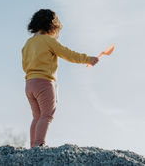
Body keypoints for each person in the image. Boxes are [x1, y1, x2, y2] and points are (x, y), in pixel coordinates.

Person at [21, 9, 99, 148]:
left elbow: (25, 64)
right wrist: (88, 59)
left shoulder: (28, 44)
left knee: (37, 117)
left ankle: (33, 146)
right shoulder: (48, 41)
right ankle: (39, 145)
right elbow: (68, 54)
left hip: (29, 84)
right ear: (52, 27)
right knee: (47, 114)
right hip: (44, 82)